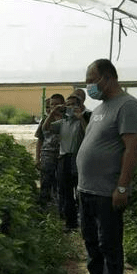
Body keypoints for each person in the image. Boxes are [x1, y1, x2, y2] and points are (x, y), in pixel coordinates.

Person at [69, 58, 137, 274]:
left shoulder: (127, 105)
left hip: (107, 189)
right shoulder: (100, 108)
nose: (89, 86)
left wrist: (122, 187)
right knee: (90, 236)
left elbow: (132, 148)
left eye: (91, 80)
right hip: (87, 187)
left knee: (109, 240)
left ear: (108, 77)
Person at [44, 93, 88, 230]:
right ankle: (71, 223)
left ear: (79, 106)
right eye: (67, 105)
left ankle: (85, 222)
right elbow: (45, 128)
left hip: (78, 158)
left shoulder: (85, 119)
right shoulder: (63, 122)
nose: (69, 108)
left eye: (72, 105)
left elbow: (89, 133)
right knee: (66, 191)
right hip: (64, 158)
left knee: (81, 191)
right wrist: (53, 113)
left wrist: (80, 118)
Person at [35, 94, 64, 209]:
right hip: (47, 155)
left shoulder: (67, 118)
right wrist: (38, 159)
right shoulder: (45, 120)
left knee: (60, 183)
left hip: (62, 156)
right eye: (52, 104)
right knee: (45, 182)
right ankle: (43, 208)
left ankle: (60, 208)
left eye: (57, 104)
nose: (54, 107)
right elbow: (39, 140)